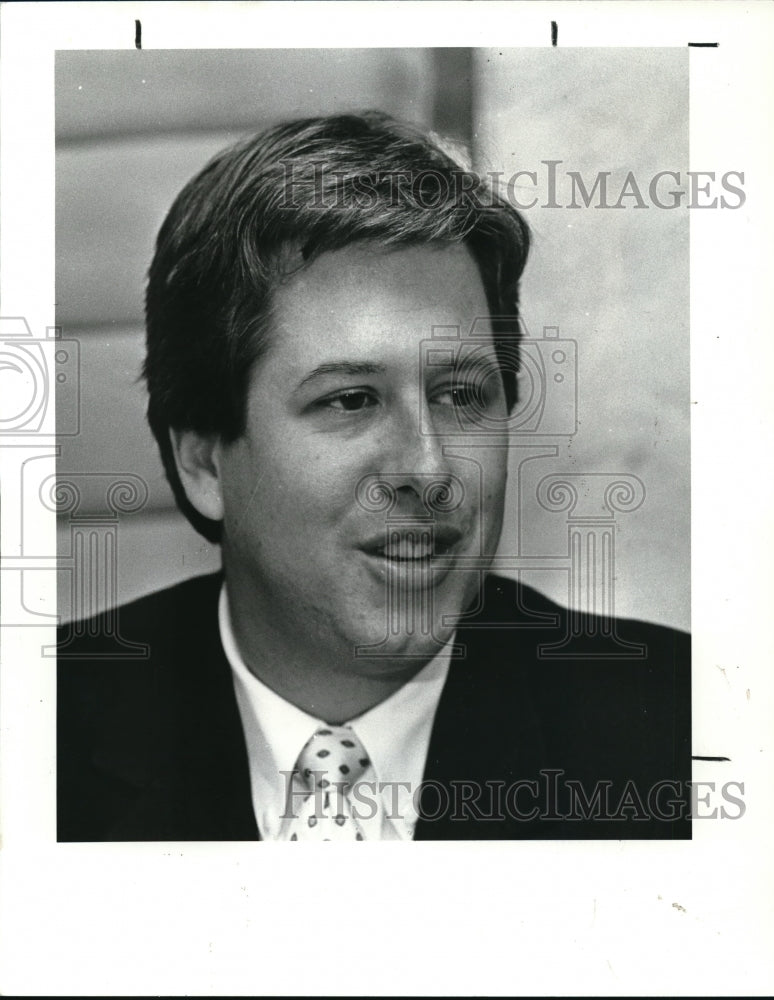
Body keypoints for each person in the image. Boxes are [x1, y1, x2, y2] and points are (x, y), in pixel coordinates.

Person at [57, 111, 691, 842]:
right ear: (203, 460)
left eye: (460, 395)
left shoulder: (680, 736)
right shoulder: (39, 736)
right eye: (350, 400)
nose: (426, 467)